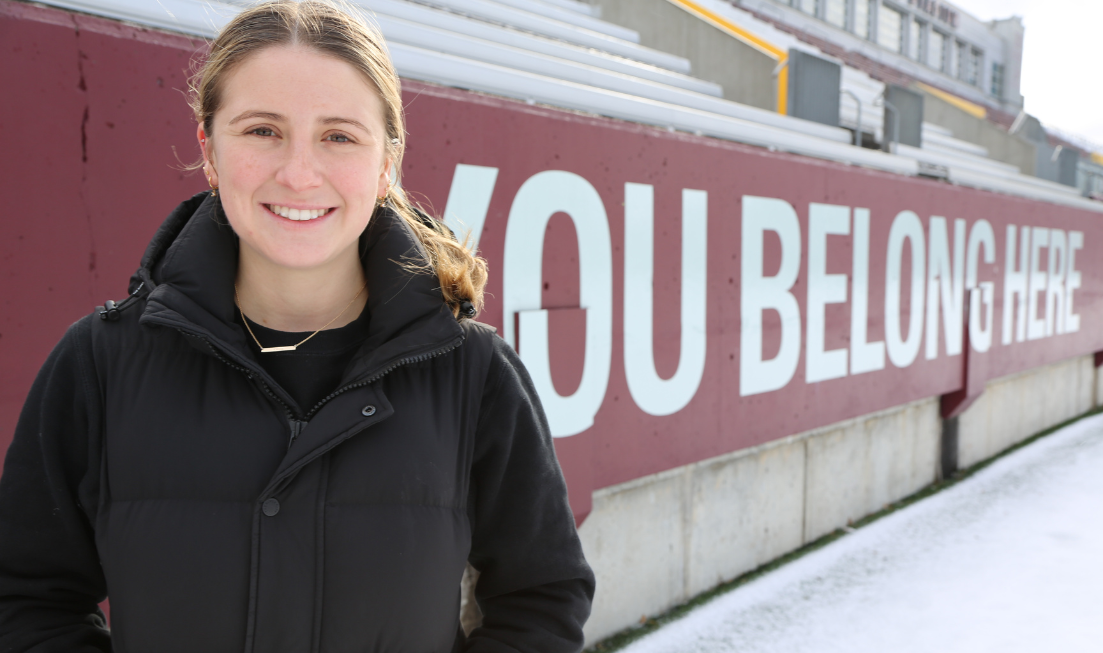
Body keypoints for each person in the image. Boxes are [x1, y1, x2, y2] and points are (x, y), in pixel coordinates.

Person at [0, 1, 594, 651]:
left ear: (386, 161)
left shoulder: (473, 373)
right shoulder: (99, 364)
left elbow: (539, 597)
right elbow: (27, 596)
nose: (299, 173)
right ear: (210, 149)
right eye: (262, 130)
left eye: (338, 135)